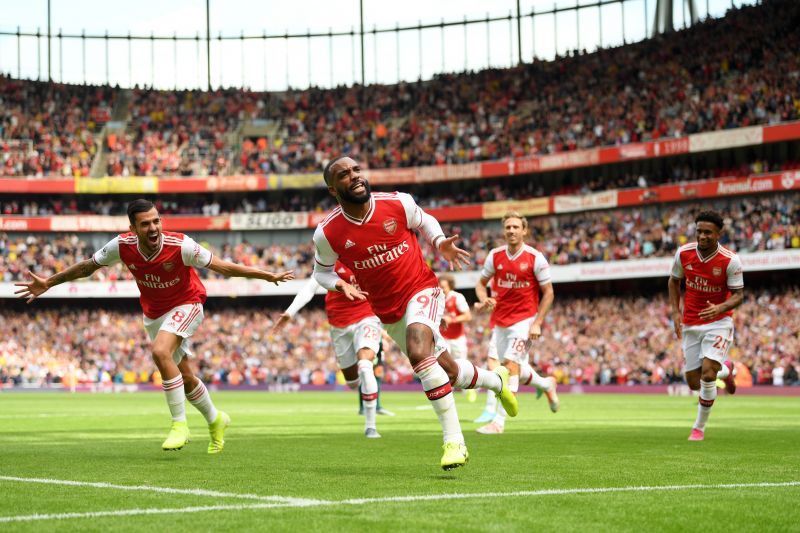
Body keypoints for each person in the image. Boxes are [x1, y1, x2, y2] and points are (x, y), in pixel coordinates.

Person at [15, 199, 294, 453]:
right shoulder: (121, 246)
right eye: (145, 223)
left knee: (160, 352)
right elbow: (88, 266)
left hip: (188, 303)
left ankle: (179, 425)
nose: (153, 227)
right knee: (184, 377)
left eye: (156, 221)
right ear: (133, 228)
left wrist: (267, 275)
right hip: (154, 314)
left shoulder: (180, 245)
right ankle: (216, 419)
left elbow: (223, 267)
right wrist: (48, 283)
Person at [312, 156, 518, 470]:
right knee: (448, 372)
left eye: (356, 170)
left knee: (420, 353)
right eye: (344, 174)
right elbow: (321, 273)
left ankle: (454, 442)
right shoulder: (328, 233)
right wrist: (340, 286)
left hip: (422, 288)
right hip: (387, 310)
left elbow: (424, 220)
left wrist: (439, 243)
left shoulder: (396, 203)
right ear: (332, 189)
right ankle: (496, 381)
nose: (354, 176)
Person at [272, 262, 383, 438]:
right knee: (353, 383)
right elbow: (310, 287)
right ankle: (365, 380)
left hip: (367, 317)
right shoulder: (329, 257)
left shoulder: (367, 254)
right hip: (339, 324)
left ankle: (371, 427)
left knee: (365, 365)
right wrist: (290, 312)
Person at [474, 212, 559, 435]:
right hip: (500, 322)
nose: (511, 230)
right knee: (512, 369)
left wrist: (537, 323)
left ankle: (498, 422)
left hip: (525, 321)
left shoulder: (535, 257)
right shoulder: (495, 256)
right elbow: (480, 285)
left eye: (515, 227)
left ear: (524, 231)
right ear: (504, 231)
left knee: (509, 367)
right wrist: (484, 300)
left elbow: (548, 293)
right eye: (508, 227)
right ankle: (546, 384)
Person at [668, 210, 742, 441]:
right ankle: (727, 369)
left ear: (718, 233)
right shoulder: (684, 253)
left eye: (708, 232)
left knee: (708, 375)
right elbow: (673, 281)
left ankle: (698, 427)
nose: (702, 236)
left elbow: (739, 295)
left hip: (719, 321)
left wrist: (720, 308)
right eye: (699, 231)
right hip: (690, 322)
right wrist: (675, 312)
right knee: (693, 383)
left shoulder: (730, 260)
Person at [437, 274, 477, 402]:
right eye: (439, 286)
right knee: (443, 365)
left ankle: (470, 389)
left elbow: (468, 316)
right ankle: (447, 392)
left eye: (443, 287)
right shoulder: (437, 299)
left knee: (461, 365)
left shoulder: (457, 297)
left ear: (450, 286)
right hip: (443, 338)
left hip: (457, 338)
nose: (441, 289)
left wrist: (451, 319)